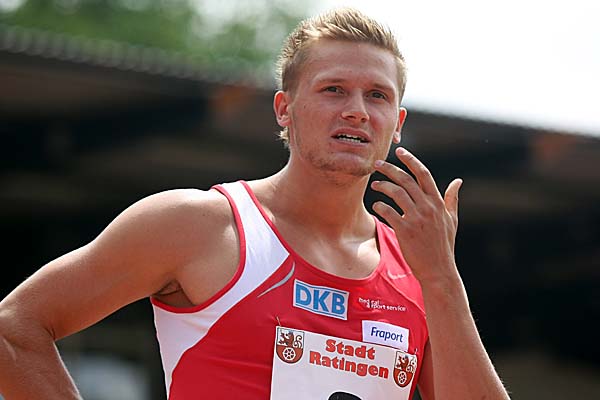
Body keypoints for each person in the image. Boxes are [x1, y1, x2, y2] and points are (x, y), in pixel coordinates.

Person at [0, 8, 510, 400]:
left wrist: (443, 280)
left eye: (377, 95)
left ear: (396, 123)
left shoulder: (420, 271)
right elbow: (14, 329)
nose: (356, 111)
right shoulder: (197, 225)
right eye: (334, 89)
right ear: (285, 109)